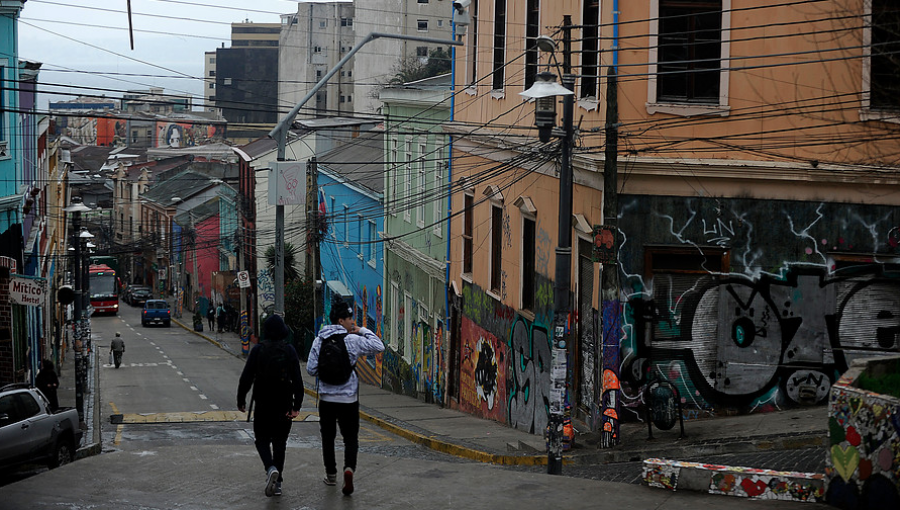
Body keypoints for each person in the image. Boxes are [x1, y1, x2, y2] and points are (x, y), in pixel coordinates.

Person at [307, 295, 384, 496]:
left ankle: (331, 475)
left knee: (328, 437)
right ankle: (348, 469)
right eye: (351, 319)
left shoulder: (319, 339)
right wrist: (363, 331)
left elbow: (310, 369)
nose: (353, 323)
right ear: (341, 321)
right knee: (350, 438)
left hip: (326, 399)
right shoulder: (352, 340)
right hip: (348, 399)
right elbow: (379, 346)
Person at [237, 314, 304, 498]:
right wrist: (296, 405)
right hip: (284, 404)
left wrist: (241, 399)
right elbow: (298, 381)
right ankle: (279, 482)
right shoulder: (289, 351)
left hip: (263, 404)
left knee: (262, 440)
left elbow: (246, 377)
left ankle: (270, 468)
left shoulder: (258, 350)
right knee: (280, 442)